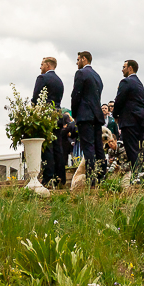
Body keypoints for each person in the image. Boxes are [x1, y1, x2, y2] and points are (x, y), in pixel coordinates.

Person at [71, 51, 104, 184]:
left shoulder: (81, 73)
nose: (77, 62)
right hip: (96, 115)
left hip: (85, 115)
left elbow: (76, 94)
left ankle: (92, 178)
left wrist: (74, 113)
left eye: (78, 59)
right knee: (98, 147)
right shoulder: (97, 76)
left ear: (84, 59)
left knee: (88, 147)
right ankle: (101, 175)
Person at [32, 56, 66, 187]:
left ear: (47, 65)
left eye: (41, 65)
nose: (40, 67)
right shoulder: (59, 81)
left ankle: (48, 178)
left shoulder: (42, 78)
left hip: (46, 115)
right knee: (58, 147)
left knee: (47, 147)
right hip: (58, 115)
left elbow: (36, 98)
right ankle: (60, 178)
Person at [112, 59, 144, 170]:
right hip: (139, 120)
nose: (122, 70)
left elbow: (119, 100)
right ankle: (142, 174)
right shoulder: (140, 84)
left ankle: (136, 177)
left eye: (124, 67)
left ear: (130, 68)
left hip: (129, 120)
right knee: (139, 149)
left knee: (131, 150)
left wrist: (115, 115)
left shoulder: (126, 82)